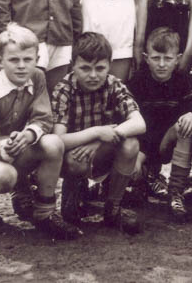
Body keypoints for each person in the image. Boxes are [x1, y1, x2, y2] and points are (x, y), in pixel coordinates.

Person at [0, 23, 79, 240]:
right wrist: (10, 145)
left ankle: (45, 214)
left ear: (37, 58)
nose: (22, 66)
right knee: (7, 177)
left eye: (28, 59)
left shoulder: (38, 77)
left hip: (17, 143)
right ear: (0, 61)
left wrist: (29, 135)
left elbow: (43, 117)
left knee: (53, 144)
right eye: (14, 60)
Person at [50, 32, 146, 234]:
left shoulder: (114, 84)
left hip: (101, 149)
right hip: (73, 157)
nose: (93, 75)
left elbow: (139, 123)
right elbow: (58, 139)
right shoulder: (64, 90)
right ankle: (74, 195)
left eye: (100, 68)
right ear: (72, 65)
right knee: (75, 167)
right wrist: (96, 132)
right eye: (85, 68)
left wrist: (100, 140)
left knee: (131, 145)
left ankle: (113, 208)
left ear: (109, 65)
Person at [126, 27, 192, 223]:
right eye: (156, 58)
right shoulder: (137, 82)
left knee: (185, 126)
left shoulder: (184, 81)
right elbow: (132, 122)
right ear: (146, 58)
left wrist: (191, 115)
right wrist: (138, 156)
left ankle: (175, 190)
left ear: (177, 58)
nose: (161, 64)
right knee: (133, 178)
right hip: (145, 142)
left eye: (168, 59)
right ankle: (148, 177)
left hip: (171, 140)